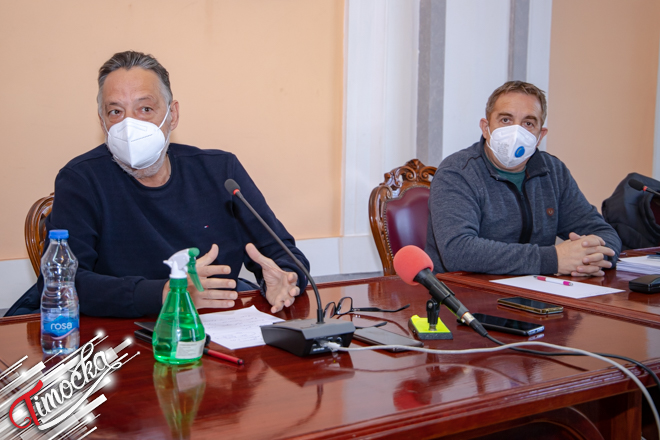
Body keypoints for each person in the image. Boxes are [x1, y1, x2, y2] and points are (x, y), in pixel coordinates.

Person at [8, 51, 308, 318]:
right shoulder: (81, 179)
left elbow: (284, 254)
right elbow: (63, 282)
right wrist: (166, 293)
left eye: (145, 109)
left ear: (172, 115)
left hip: (216, 329)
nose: (129, 125)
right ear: (102, 122)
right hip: (118, 336)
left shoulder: (220, 171)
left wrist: (285, 278)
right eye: (115, 112)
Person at [425, 81, 621, 276]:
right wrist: (553, 259)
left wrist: (590, 258)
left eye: (528, 123)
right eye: (505, 120)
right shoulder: (457, 172)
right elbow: (458, 250)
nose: (516, 132)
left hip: (536, 290)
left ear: (540, 135)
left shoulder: (552, 171)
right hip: (463, 291)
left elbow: (604, 233)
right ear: (486, 128)